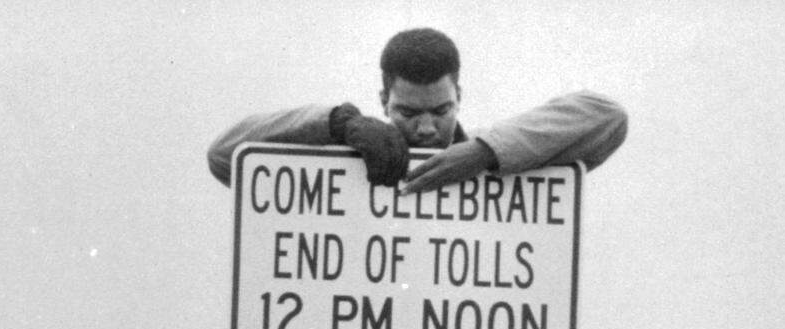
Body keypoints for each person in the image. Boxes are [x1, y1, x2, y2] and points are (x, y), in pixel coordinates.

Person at [207, 25, 626, 190]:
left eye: (441, 111)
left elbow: (607, 117)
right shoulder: (343, 162)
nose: (426, 129)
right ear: (383, 101)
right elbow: (225, 155)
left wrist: (484, 153)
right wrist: (336, 123)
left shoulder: (506, 158)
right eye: (408, 114)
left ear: (459, 96)